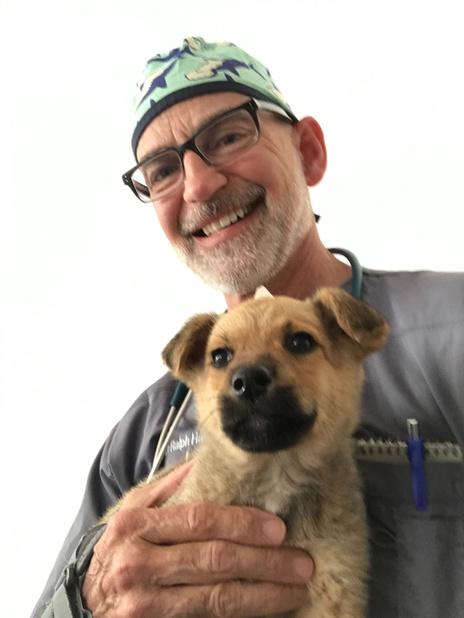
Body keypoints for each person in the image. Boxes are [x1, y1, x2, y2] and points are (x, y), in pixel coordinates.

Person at [34, 37, 464, 618]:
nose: (198, 184)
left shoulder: (450, 330)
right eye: (163, 171)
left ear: (308, 151)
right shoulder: (145, 437)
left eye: (228, 137)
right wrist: (89, 600)